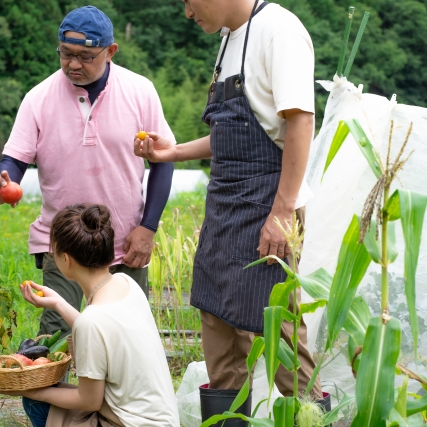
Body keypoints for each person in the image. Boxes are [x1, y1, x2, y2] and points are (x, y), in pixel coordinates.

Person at [133, 0, 331, 421]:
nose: (187, 12)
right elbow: (231, 130)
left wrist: (282, 211)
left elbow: (299, 124)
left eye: (188, 1)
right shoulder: (228, 40)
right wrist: (173, 151)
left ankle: (313, 416)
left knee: (278, 332)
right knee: (216, 320)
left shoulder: (279, 31)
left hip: (268, 202)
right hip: (224, 203)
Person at [0, 6, 175, 337]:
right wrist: (4, 181)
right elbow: (14, 159)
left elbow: (163, 160)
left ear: (110, 51)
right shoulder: (38, 98)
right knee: (56, 337)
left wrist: (147, 228)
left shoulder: (139, 91)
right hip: (63, 244)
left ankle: (110, 393)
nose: (73, 64)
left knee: (129, 336)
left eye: (85, 56)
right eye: (66, 54)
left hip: (125, 242)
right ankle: (47, 389)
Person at [2, 204, 180, 427]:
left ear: (65, 260)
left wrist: (33, 392)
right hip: (162, 420)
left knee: (37, 403)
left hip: (129, 423)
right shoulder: (126, 284)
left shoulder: (92, 321)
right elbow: (101, 333)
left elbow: (89, 400)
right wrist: (58, 302)